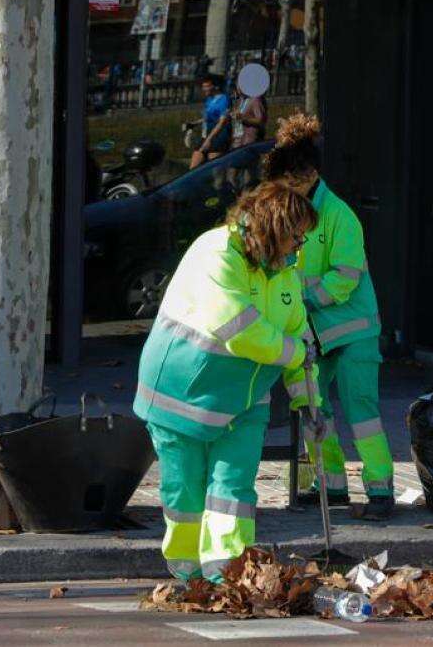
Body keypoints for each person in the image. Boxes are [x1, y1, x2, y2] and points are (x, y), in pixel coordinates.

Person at [133, 180, 322, 583]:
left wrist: (309, 401)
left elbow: (299, 335)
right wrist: (295, 352)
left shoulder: (285, 272)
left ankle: (228, 573)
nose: (299, 244)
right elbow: (239, 328)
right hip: (182, 396)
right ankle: (188, 573)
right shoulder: (216, 252)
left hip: (243, 400)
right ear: (273, 229)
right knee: (186, 491)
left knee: (233, 492)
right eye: (295, 235)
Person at [261, 113, 396, 520]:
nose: (286, 190)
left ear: (310, 174)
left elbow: (346, 278)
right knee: (316, 411)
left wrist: (297, 296)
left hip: (351, 332)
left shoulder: (339, 215)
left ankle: (380, 491)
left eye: (291, 182)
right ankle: (330, 486)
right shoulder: (295, 209)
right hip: (314, 331)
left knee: (362, 411)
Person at [190, 74, 231, 169]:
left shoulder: (224, 99)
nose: (204, 89)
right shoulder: (209, 99)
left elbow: (221, 122)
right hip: (206, 135)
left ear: (215, 86)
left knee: (215, 170)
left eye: (207, 86)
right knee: (193, 168)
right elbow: (208, 118)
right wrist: (194, 123)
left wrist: (209, 140)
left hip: (218, 137)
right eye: (203, 86)